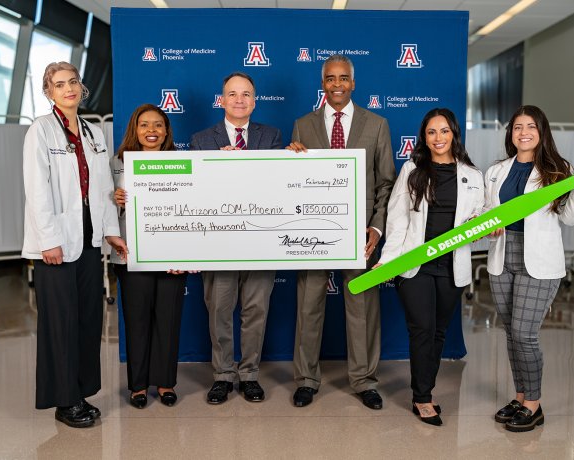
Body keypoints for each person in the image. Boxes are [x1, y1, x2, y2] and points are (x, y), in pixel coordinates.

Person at [22, 62, 127, 428]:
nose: (68, 88)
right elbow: (37, 192)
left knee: (86, 319)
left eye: (73, 82)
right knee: (61, 322)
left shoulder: (93, 132)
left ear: (82, 89)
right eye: (59, 84)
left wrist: (111, 231)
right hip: (56, 244)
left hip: (88, 239)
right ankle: (65, 401)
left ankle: (80, 392)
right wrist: (48, 240)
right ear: (49, 92)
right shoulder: (41, 131)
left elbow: (103, 191)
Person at [287, 54, 396, 409]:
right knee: (308, 305)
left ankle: (364, 380)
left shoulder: (377, 124)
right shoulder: (303, 125)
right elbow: (293, 181)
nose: (337, 84)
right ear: (323, 83)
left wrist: (377, 228)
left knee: (362, 307)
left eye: (343, 78)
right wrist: (291, 158)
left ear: (353, 82)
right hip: (313, 233)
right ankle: (306, 379)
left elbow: (386, 183)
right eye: (330, 78)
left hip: (359, 235)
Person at [485, 105, 574, 432]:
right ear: (511, 134)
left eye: (530, 126)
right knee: (511, 333)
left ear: (541, 131)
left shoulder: (559, 170)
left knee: (524, 332)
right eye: (517, 127)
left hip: (541, 262)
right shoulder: (497, 171)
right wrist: (488, 225)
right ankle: (520, 397)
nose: (523, 132)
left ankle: (533, 404)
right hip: (503, 257)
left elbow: (570, 218)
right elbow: (489, 212)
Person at [376, 108, 484, 425]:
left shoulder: (472, 175)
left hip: (453, 266)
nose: (438, 138)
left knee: (438, 332)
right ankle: (422, 398)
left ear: (454, 134)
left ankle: (427, 389)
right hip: (416, 264)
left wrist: (484, 225)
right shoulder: (412, 169)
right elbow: (396, 220)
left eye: (444, 131)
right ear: (424, 137)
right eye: (431, 132)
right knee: (422, 330)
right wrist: (387, 261)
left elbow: (480, 218)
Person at [190, 72, 282, 404]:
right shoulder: (202, 140)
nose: (239, 99)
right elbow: (197, 191)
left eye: (246, 94)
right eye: (232, 94)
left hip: (261, 240)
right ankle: (223, 375)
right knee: (219, 309)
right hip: (219, 242)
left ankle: (250, 374)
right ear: (222, 100)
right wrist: (219, 166)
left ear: (255, 101)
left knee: (256, 309)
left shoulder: (271, 137)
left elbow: (275, 184)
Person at [111, 104, 189, 409]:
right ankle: (139, 385)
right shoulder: (117, 164)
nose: (152, 131)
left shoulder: (182, 162)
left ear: (167, 131)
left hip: (172, 256)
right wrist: (115, 200)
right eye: (145, 125)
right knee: (137, 320)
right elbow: (105, 212)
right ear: (135, 129)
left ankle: (166, 382)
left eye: (158, 125)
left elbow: (194, 206)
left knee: (168, 321)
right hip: (132, 253)